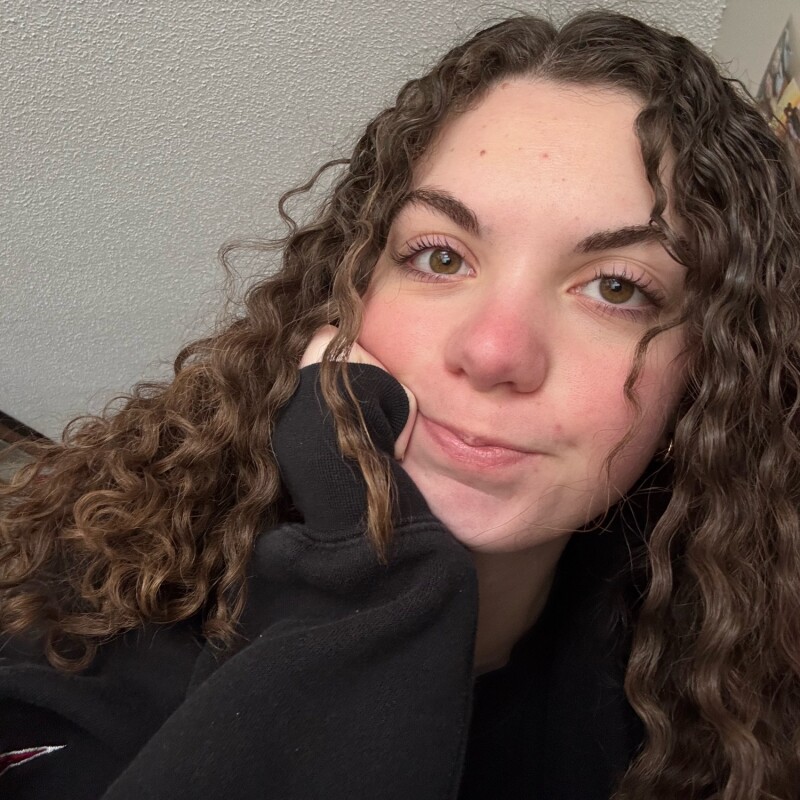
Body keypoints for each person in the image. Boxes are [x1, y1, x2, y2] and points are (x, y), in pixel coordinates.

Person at [2, 9, 799, 800]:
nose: (494, 351)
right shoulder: (89, 615)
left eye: (617, 288)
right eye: (441, 257)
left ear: (704, 375)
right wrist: (371, 575)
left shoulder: (733, 687)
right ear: (345, 293)